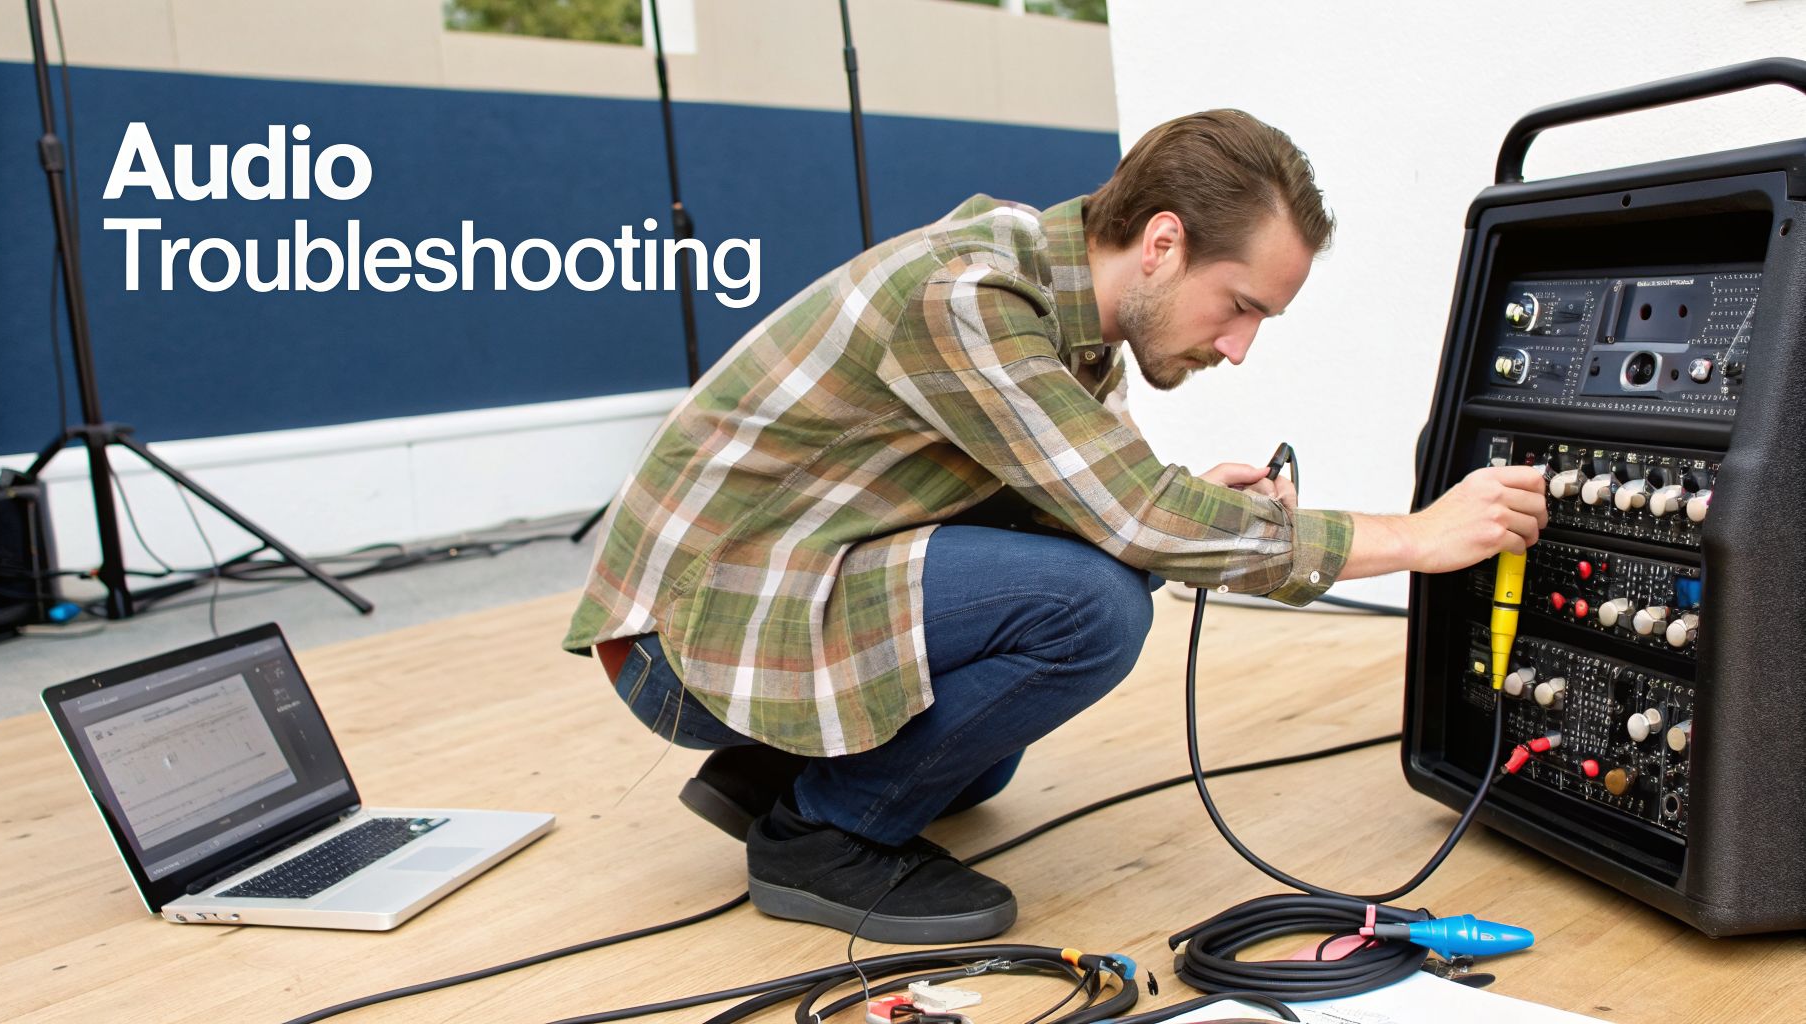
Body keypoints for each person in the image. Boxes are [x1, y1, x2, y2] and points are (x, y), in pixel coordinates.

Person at [563, 109, 1548, 944]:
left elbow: (1120, 504)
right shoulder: (969, 300)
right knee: (1092, 608)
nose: (1239, 348)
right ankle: (820, 835)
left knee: (980, 756)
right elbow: (1139, 523)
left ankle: (766, 773)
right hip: (683, 636)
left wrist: (1192, 504)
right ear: (1161, 244)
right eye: (1239, 306)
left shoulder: (1067, 331)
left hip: (773, 589)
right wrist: (1415, 538)